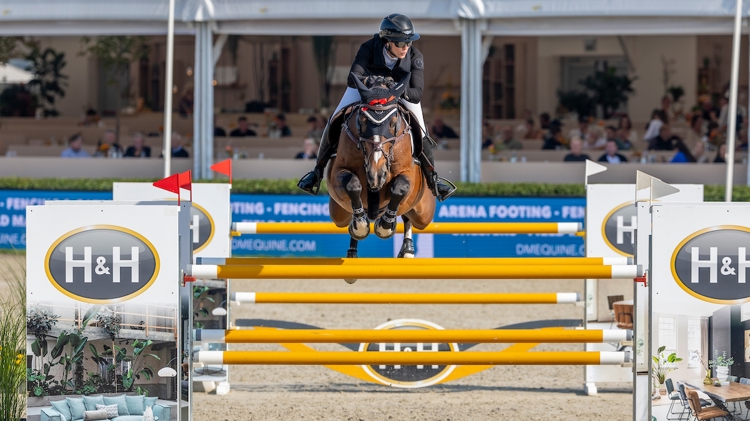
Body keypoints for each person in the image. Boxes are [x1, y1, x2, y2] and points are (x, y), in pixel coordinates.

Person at [297, 13, 456, 201]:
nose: (405, 47)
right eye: (400, 43)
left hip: (399, 95)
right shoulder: (369, 47)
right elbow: (352, 78)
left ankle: (432, 178)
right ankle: (317, 171)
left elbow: (417, 93)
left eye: (408, 42)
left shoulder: (415, 56)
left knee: (421, 129)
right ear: (387, 41)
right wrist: (372, 81)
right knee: (334, 118)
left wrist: (397, 91)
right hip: (366, 91)